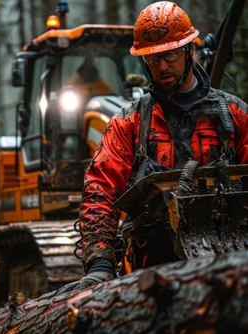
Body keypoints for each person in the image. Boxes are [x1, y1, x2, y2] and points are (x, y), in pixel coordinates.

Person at [70, 1, 248, 291]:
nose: (162, 66)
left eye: (171, 54)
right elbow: (100, 190)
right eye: (153, 59)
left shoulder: (235, 115)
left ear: (189, 51)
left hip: (231, 260)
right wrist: (100, 264)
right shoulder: (129, 123)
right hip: (149, 272)